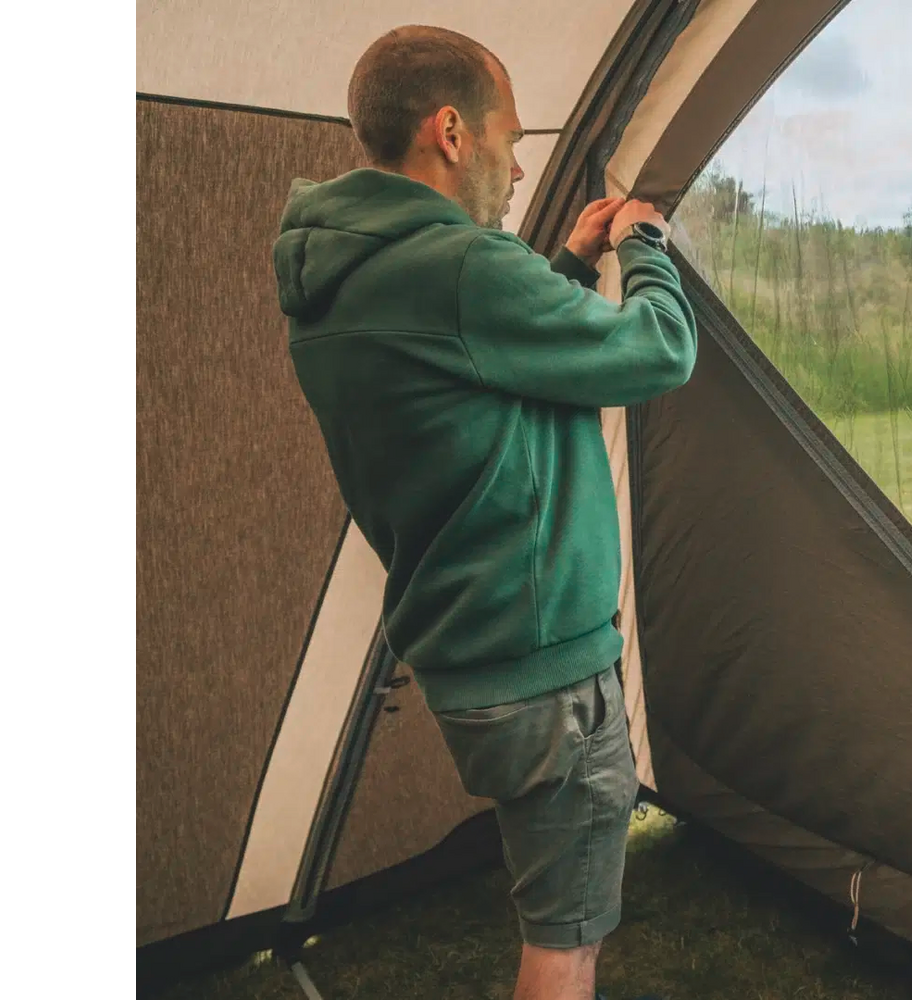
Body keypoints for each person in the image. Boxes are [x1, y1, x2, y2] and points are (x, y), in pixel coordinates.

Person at [271, 24, 696, 1000]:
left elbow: (472, 371)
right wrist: (644, 245)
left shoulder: (342, 272)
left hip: (476, 657)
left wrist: (561, 266)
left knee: (552, 901)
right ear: (452, 133)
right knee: (566, 938)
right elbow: (658, 353)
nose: (515, 170)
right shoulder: (461, 267)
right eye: (511, 139)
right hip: (546, 667)